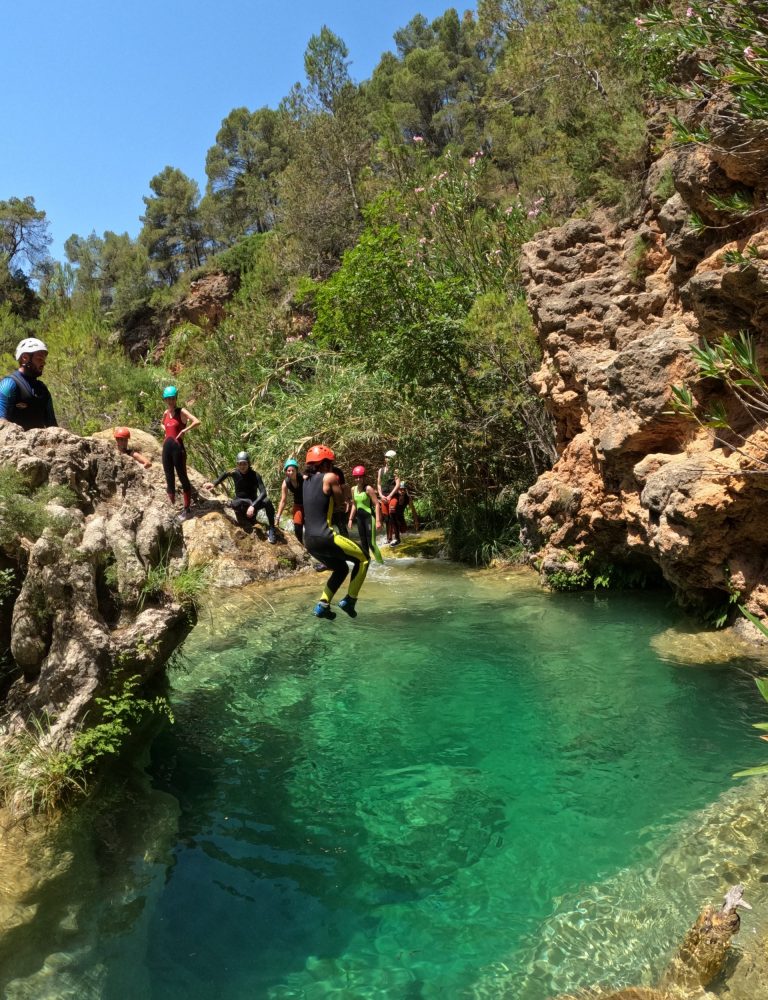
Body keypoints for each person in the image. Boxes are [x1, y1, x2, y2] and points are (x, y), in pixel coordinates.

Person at [303, 444, 370, 620]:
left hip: (309, 541)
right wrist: (345, 491)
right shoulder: (330, 477)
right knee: (364, 559)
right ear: (324, 464)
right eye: (330, 464)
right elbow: (340, 502)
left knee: (341, 568)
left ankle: (323, 605)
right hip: (326, 537)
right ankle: (350, 600)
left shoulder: (305, 481)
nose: (332, 467)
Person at [204, 451, 278, 543]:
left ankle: (272, 529)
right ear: (237, 464)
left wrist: (253, 506)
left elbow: (263, 493)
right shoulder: (234, 472)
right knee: (235, 503)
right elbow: (224, 474)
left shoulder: (255, 475)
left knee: (267, 501)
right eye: (240, 464)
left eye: (244, 464)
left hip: (252, 504)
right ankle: (246, 518)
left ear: (248, 464)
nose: (242, 466)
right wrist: (214, 483)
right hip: (240, 503)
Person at [0, 337, 57, 429]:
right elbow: (1, 423)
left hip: (40, 442)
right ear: (25, 358)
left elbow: (53, 426)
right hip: (13, 442)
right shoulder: (8, 384)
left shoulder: (43, 390)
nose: (43, 363)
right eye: (39, 359)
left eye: (43, 360)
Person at [161, 385, 200, 521]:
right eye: (168, 399)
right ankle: (171, 508)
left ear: (176, 398)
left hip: (178, 449)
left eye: (172, 398)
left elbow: (197, 421)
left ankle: (187, 509)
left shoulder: (181, 411)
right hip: (166, 448)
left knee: (182, 477)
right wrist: (165, 431)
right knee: (169, 477)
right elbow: (163, 424)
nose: (170, 401)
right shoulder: (166, 413)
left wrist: (184, 430)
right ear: (165, 400)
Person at [348, 465, 383, 564]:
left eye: (360, 477)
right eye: (356, 477)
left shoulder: (368, 489)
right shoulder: (353, 489)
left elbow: (377, 504)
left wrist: (378, 521)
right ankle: (367, 563)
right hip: (359, 519)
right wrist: (350, 519)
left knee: (371, 543)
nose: (358, 479)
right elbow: (354, 504)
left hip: (369, 518)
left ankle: (381, 565)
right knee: (363, 544)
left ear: (364, 477)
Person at [276, 458, 304, 545]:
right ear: (285, 471)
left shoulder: (304, 478)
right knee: (297, 526)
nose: (291, 472)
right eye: (288, 470)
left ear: (296, 470)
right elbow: (283, 500)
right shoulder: (285, 483)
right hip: (298, 504)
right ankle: (301, 545)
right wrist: (278, 517)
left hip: (309, 504)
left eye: (293, 470)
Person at [377, 449, 401, 546]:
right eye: (387, 457)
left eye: (390, 458)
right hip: (384, 496)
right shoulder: (381, 470)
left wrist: (390, 495)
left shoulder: (396, 470)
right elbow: (378, 484)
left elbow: (398, 484)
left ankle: (397, 538)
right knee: (386, 518)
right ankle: (389, 538)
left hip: (393, 496)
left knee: (392, 513)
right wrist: (381, 495)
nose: (388, 460)